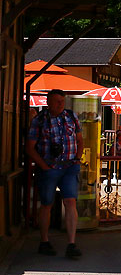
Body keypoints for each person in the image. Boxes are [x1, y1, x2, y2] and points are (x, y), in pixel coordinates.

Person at [26, 89, 84, 258]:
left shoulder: (71, 117)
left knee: (70, 202)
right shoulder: (40, 120)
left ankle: (71, 244)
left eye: (62, 101)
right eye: (57, 101)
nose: (60, 104)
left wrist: (77, 158)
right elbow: (30, 147)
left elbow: (80, 140)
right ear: (48, 102)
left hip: (69, 167)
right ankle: (44, 241)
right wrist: (44, 166)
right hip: (49, 167)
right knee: (46, 204)